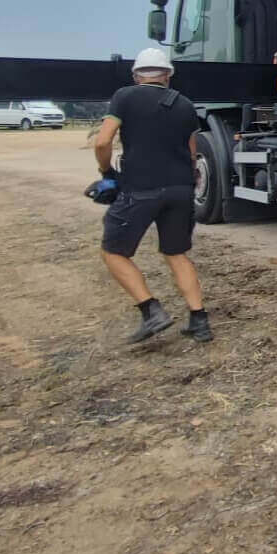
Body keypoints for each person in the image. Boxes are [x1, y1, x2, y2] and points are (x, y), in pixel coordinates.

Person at [93, 47, 213, 344]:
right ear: (168, 75)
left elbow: (102, 141)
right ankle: (199, 321)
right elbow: (192, 153)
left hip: (140, 189)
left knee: (113, 252)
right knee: (175, 253)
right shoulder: (185, 105)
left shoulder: (124, 96)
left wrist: (106, 171)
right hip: (180, 190)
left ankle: (151, 310)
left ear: (136, 75)